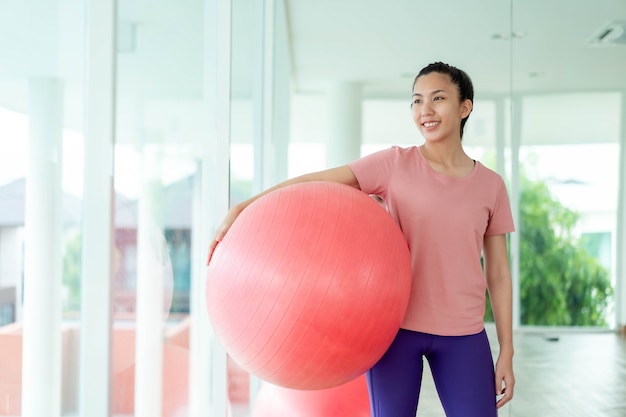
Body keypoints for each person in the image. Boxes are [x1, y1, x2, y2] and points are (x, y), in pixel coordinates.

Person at [207, 61, 515, 416]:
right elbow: (315, 182)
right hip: (395, 329)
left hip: (464, 333)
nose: (425, 111)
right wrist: (244, 207)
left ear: (465, 107)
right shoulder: (394, 164)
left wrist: (506, 350)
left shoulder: (491, 186)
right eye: (416, 101)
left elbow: (499, 274)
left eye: (438, 98)